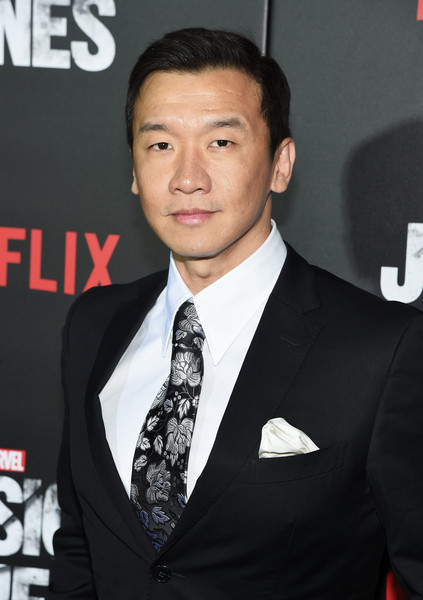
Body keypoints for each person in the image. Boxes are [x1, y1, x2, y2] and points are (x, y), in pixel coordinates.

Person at [48, 28, 423, 600]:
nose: (187, 178)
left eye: (220, 142)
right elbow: (79, 550)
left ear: (280, 165)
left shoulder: (382, 351)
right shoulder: (94, 325)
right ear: (134, 169)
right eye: (160, 145)